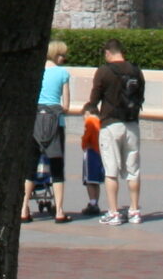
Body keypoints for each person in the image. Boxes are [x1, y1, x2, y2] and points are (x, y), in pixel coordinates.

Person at [84, 38, 147, 225]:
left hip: (110, 124)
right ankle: (135, 211)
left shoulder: (104, 72)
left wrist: (90, 111)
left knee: (111, 170)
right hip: (132, 124)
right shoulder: (136, 71)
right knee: (133, 170)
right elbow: (141, 97)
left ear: (108, 53)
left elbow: (93, 100)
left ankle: (114, 212)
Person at [23, 38, 73, 223]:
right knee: (57, 168)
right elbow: (66, 105)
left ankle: (23, 208)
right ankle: (59, 211)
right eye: (62, 55)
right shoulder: (63, 74)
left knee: (30, 167)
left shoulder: (35, 71)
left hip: (35, 122)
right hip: (55, 123)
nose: (64, 58)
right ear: (55, 55)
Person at [79, 111, 104, 218]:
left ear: (87, 112)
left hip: (90, 152)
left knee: (89, 180)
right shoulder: (101, 122)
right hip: (99, 153)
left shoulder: (90, 121)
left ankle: (92, 203)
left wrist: (83, 144)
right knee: (96, 182)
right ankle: (96, 202)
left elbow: (86, 136)